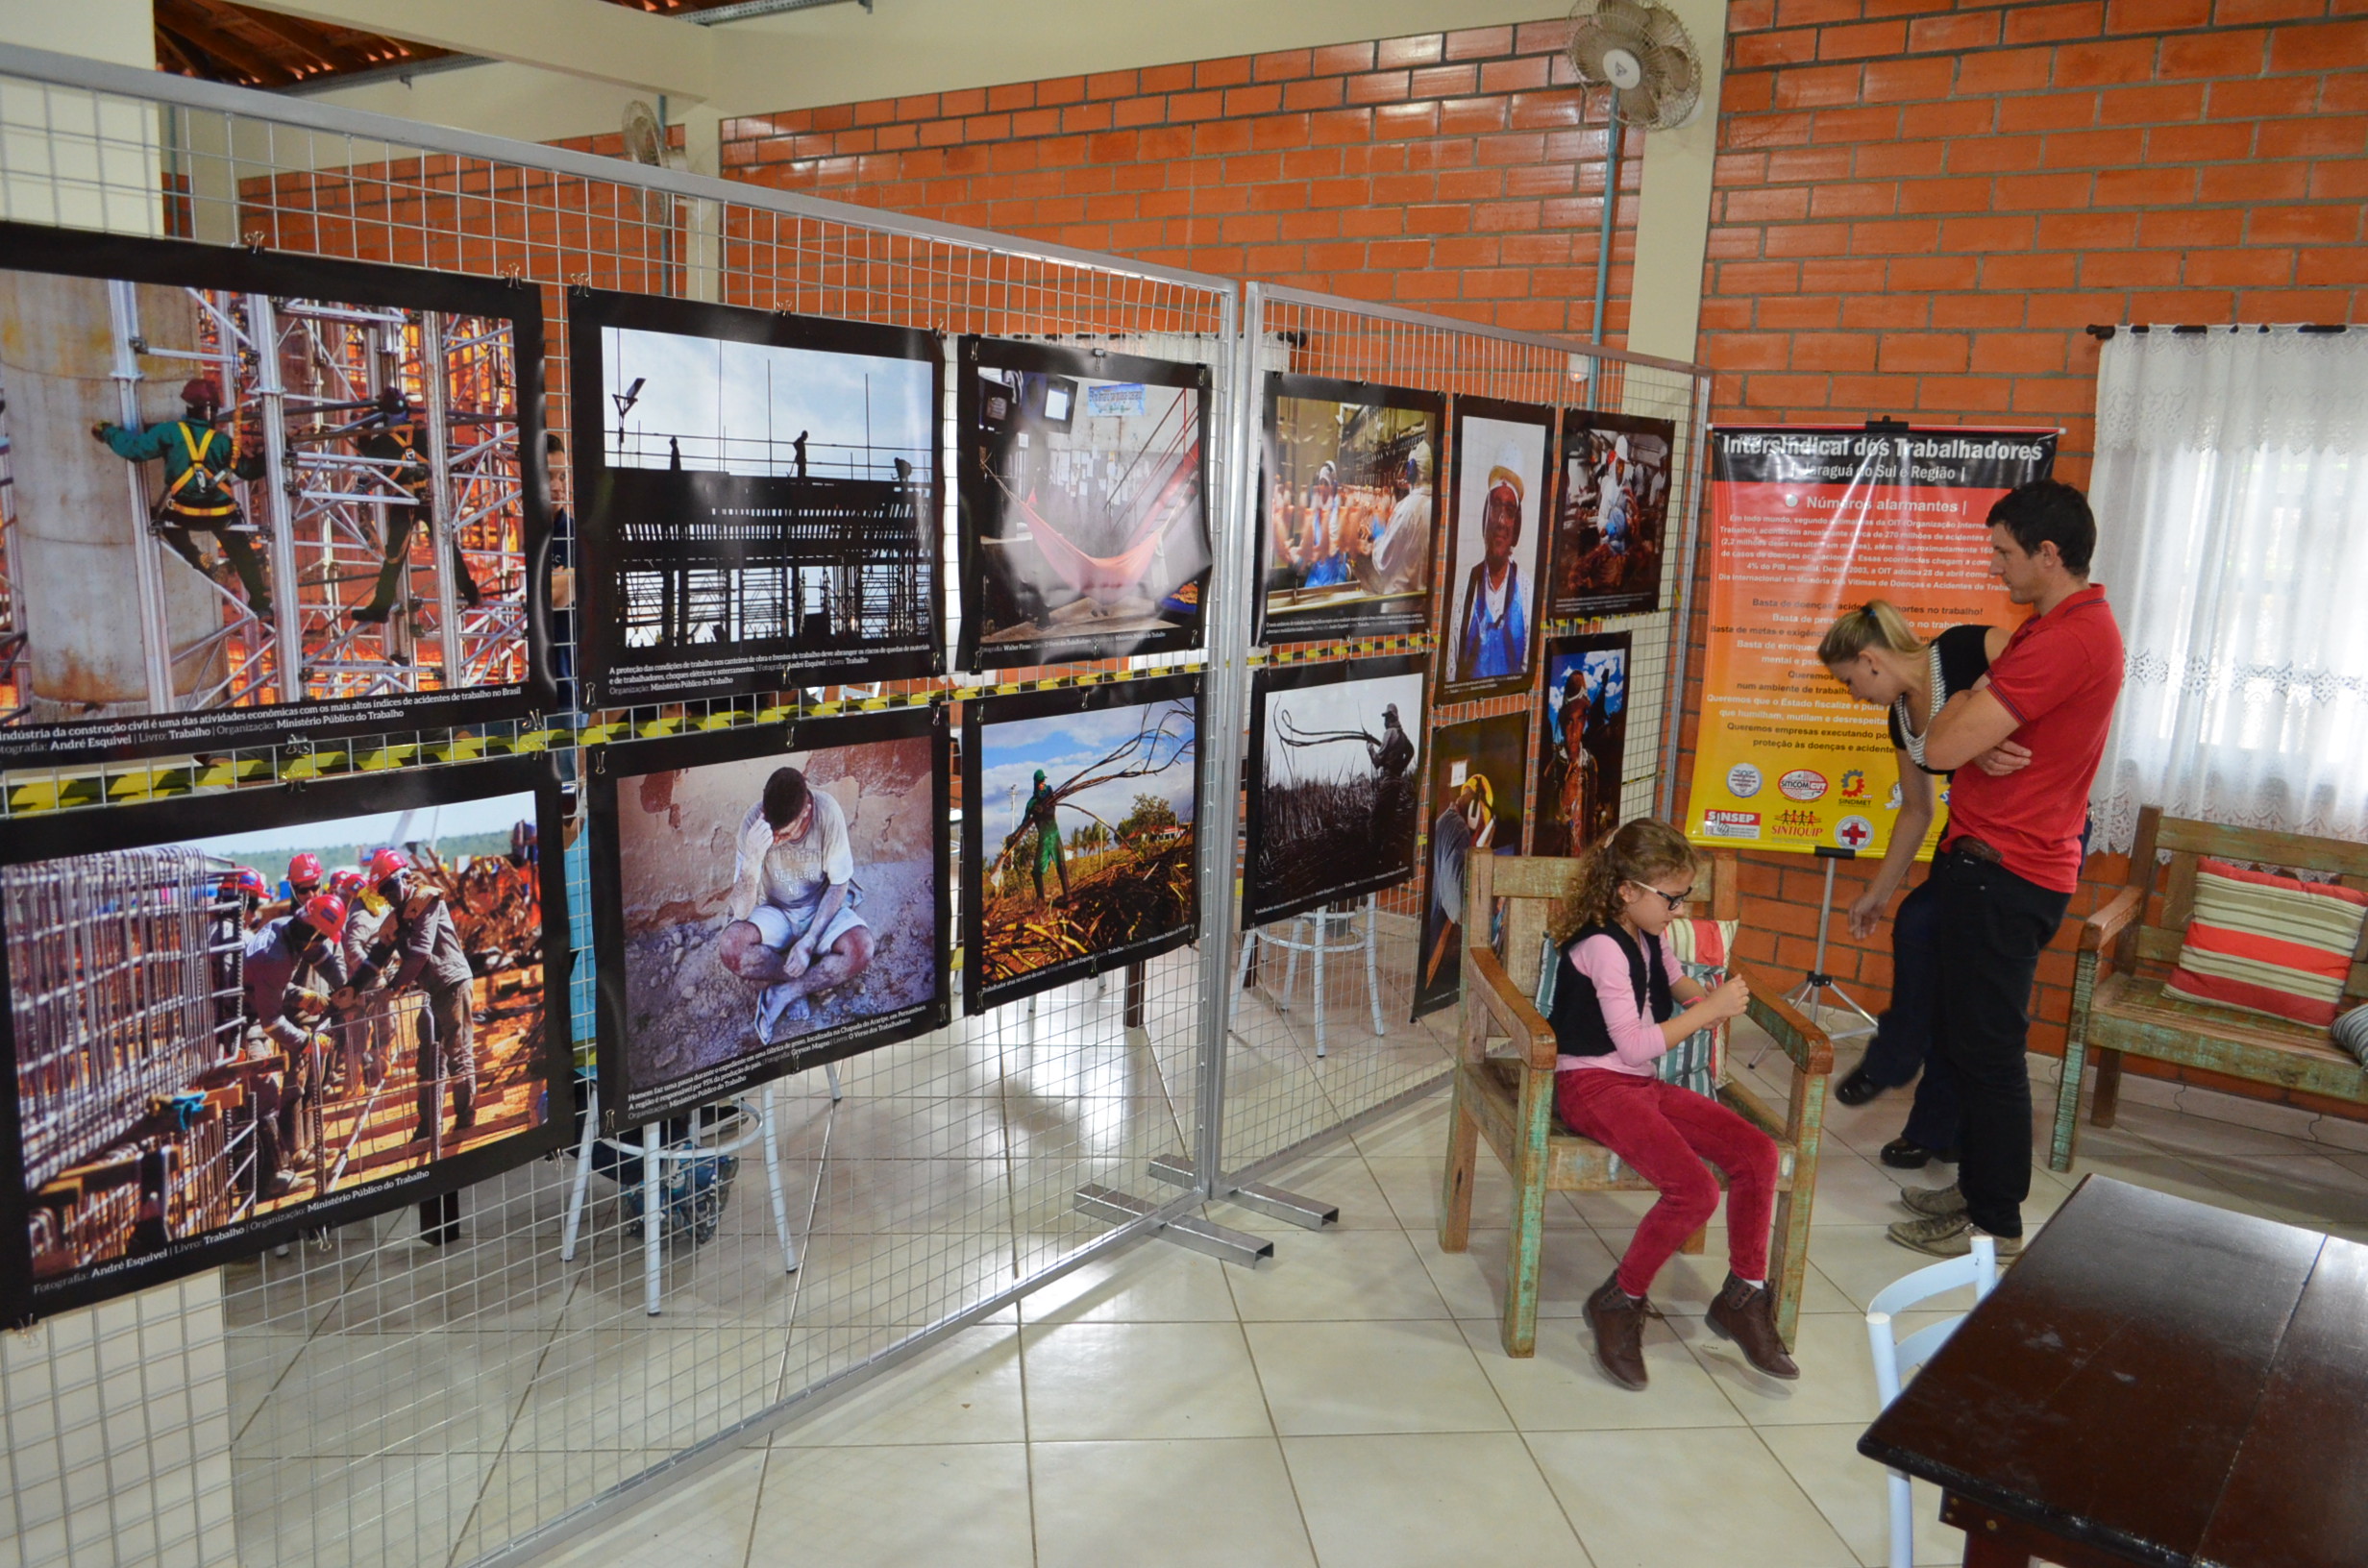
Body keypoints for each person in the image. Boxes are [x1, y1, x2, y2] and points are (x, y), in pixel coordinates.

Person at [1888, 481, 2124, 1259]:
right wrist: (1973, 725)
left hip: (2008, 872)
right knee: (1963, 1040)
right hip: (1981, 862)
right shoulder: (2045, 626)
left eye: (2004, 553)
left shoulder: (2069, 638)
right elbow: (1951, 733)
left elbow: (1940, 744)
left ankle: (1998, 1223)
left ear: (2049, 555)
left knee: (1989, 1053)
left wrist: (1968, 724)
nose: (1995, 568)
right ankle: (1978, 1187)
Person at [1551, 819, 1796, 1388]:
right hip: (1591, 1086)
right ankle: (1619, 1299)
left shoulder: (1646, 932)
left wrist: (1702, 996)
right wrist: (1709, 1014)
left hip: (1637, 1084)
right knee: (1694, 1191)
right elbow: (1634, 1043)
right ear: (1626, 890)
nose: (1679, 911)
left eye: (1683, 898)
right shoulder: (1602, 948)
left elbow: (1674, 979)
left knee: (1757, 1153)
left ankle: (1744, 1294)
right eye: (1672, 898)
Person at [1816, 601, 2019, 1169]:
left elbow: (2045, 679)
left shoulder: (1963, 649)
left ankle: (1900, 1062)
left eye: (1849, 681)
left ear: (1870, 660)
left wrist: (2016, 734)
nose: (1853, 694)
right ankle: (1932, 1121)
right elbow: (1915, 810)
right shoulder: (1900, 717)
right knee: (1917, 925)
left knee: (1937, 944)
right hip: (1976, 835)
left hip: (2029, 837)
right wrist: (1877, 891)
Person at [92, 377, 273, 618]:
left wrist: (108, 432)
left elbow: (134, 450)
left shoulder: (169, 432)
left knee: (164, 522)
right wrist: (267, 452)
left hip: (184, 514)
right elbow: (248, 472)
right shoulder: (222, 441)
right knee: (242, 552)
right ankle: (260, 601)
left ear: (188, 406)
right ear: (214, 411)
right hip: (222, 516)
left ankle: (200, 559)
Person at [721, 766, 875, 1043]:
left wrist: (810, 940)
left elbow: (839, 884)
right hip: (776, 910)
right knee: (731, 947)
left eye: (785, 834)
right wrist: (752, 861)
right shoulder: (754, 822)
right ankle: (802, 976)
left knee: (861, 948)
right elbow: (741, 912)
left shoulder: (827, 812)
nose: (775, 840)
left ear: (806, 811)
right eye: (772, 830)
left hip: (819, 905)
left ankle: (787, 992)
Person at [348, 848, 479, 1145]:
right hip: (432, 991)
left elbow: (420, 952)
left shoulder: (426, 900)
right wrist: (353, 987)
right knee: (428, 1058)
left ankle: (466, 1118)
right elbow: (376, 956)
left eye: (390, 889)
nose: (389, 898)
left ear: (405, 878)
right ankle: (428, 1125)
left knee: (457, 1054)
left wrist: (392, 988)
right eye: (383, 893)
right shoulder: (397, 916)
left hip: (453, 984)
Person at [239, 894, 353, 1193]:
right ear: (312, 931)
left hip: (252, 1007)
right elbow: (272, 1022)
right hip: (241, 1023)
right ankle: (276, 1177)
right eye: (322, 938)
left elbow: (321, 960)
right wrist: (308, 1042)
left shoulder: (286, 927)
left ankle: (278, 1169)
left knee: (261, 1094)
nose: (320, 946)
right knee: (265, 1090)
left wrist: (342, 990)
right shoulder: (275, 956)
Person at [354, 388, 482, 625]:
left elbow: (367, 460)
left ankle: (380, 606)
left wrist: (363, 430)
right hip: (427, 497)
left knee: (395, 556)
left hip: (406, 500)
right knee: (446, 547)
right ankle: (471, 592)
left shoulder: (383, 440)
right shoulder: (422, 434)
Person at [1453, 447, 1529, 682]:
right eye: (1495, 507)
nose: (1501, 521)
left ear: (1516, 527)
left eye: (1509, 511)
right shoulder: (1464, 589)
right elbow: (1450, 672)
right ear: (1485, 517)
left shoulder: (1527, 594)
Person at [1016, 768, 1071, 905]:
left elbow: (1052, 810)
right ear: (1035, 783)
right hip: (1044, 838)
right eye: (1040, 782)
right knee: (1037, 870)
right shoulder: (1032, 803)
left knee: (1061, 864)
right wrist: (1014, 834)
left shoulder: (1049, 794)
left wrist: (1043, 809)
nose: (1042, 784)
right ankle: (1041, 900)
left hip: (1054, 833)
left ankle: (1068, 895)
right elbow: (1025, 821)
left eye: (1043, 781)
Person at [1365, 703, 1415, 782]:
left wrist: (1370, 747)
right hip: (1398, 781)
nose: (1386, 720)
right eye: (1386, 717)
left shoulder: (1389, 732)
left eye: (1388, 717)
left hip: (1388, 781)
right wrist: (1400, 768)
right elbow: (1411, 752)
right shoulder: (1402, 735)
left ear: (1393, 717)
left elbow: (1377, 762)